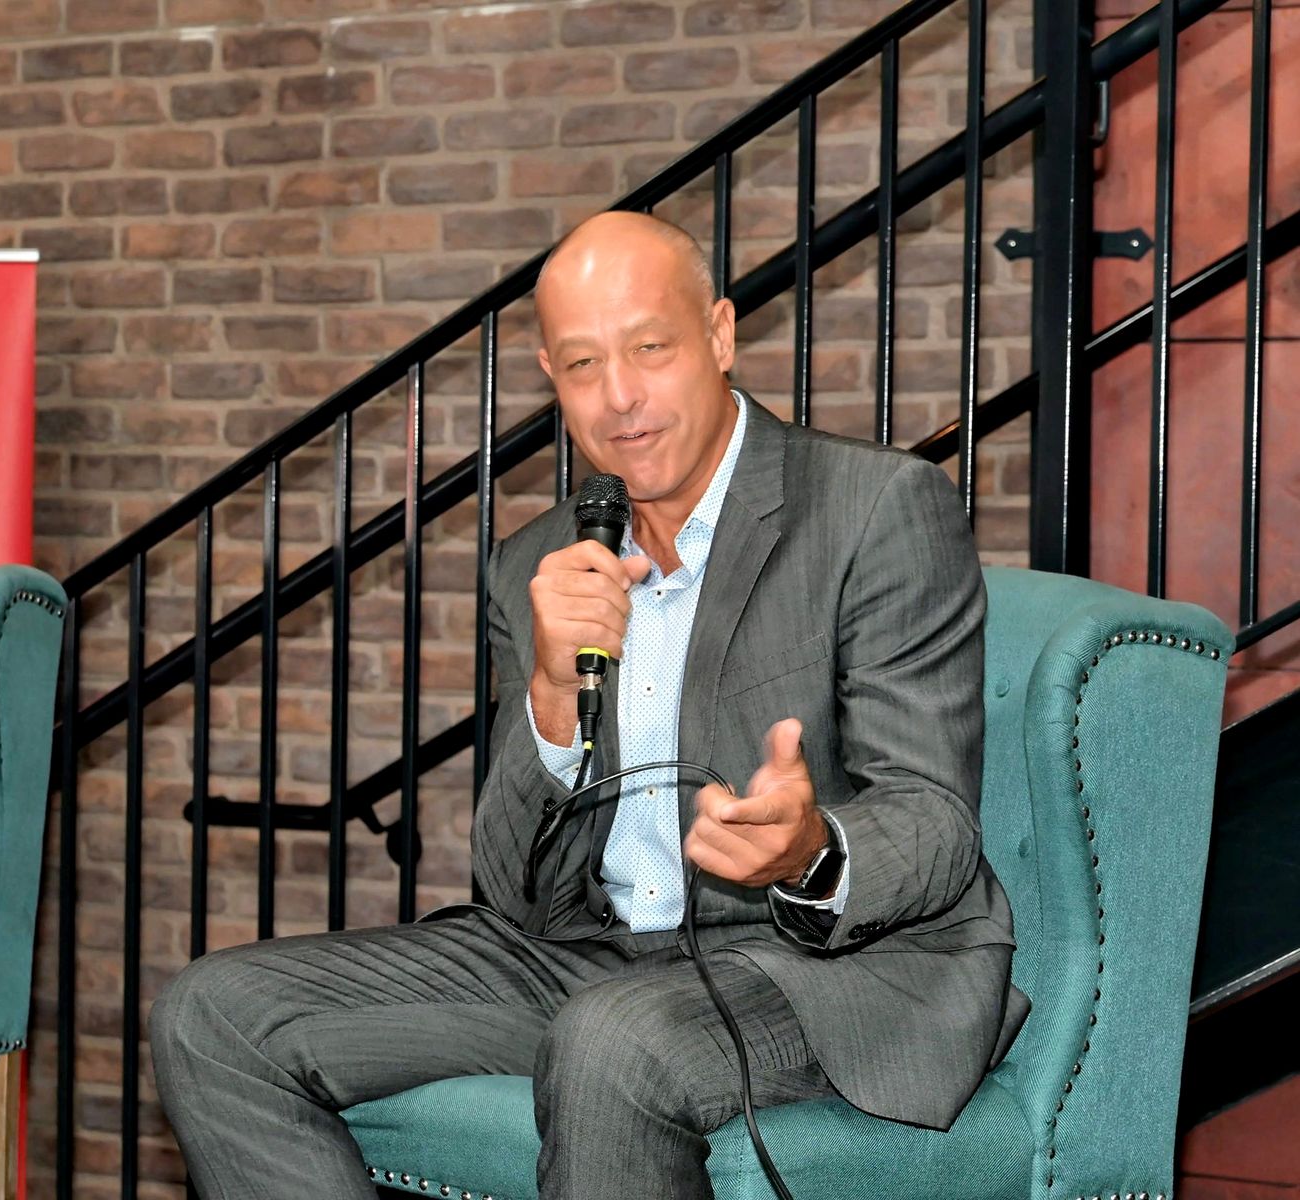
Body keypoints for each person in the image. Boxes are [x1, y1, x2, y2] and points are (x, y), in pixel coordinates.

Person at [149, 210, 1029, 1199]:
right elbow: (514, 890)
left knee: (613, 1041)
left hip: (818, 971)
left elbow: (933, 817)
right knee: (214, 1015)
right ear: (551, 377)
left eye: (650, 349)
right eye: (581, 365)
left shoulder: (875, 507)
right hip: (594, 961)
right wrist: (551, 702)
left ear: (719, 335)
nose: (619, 397)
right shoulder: (540, 561)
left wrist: (811, 849)